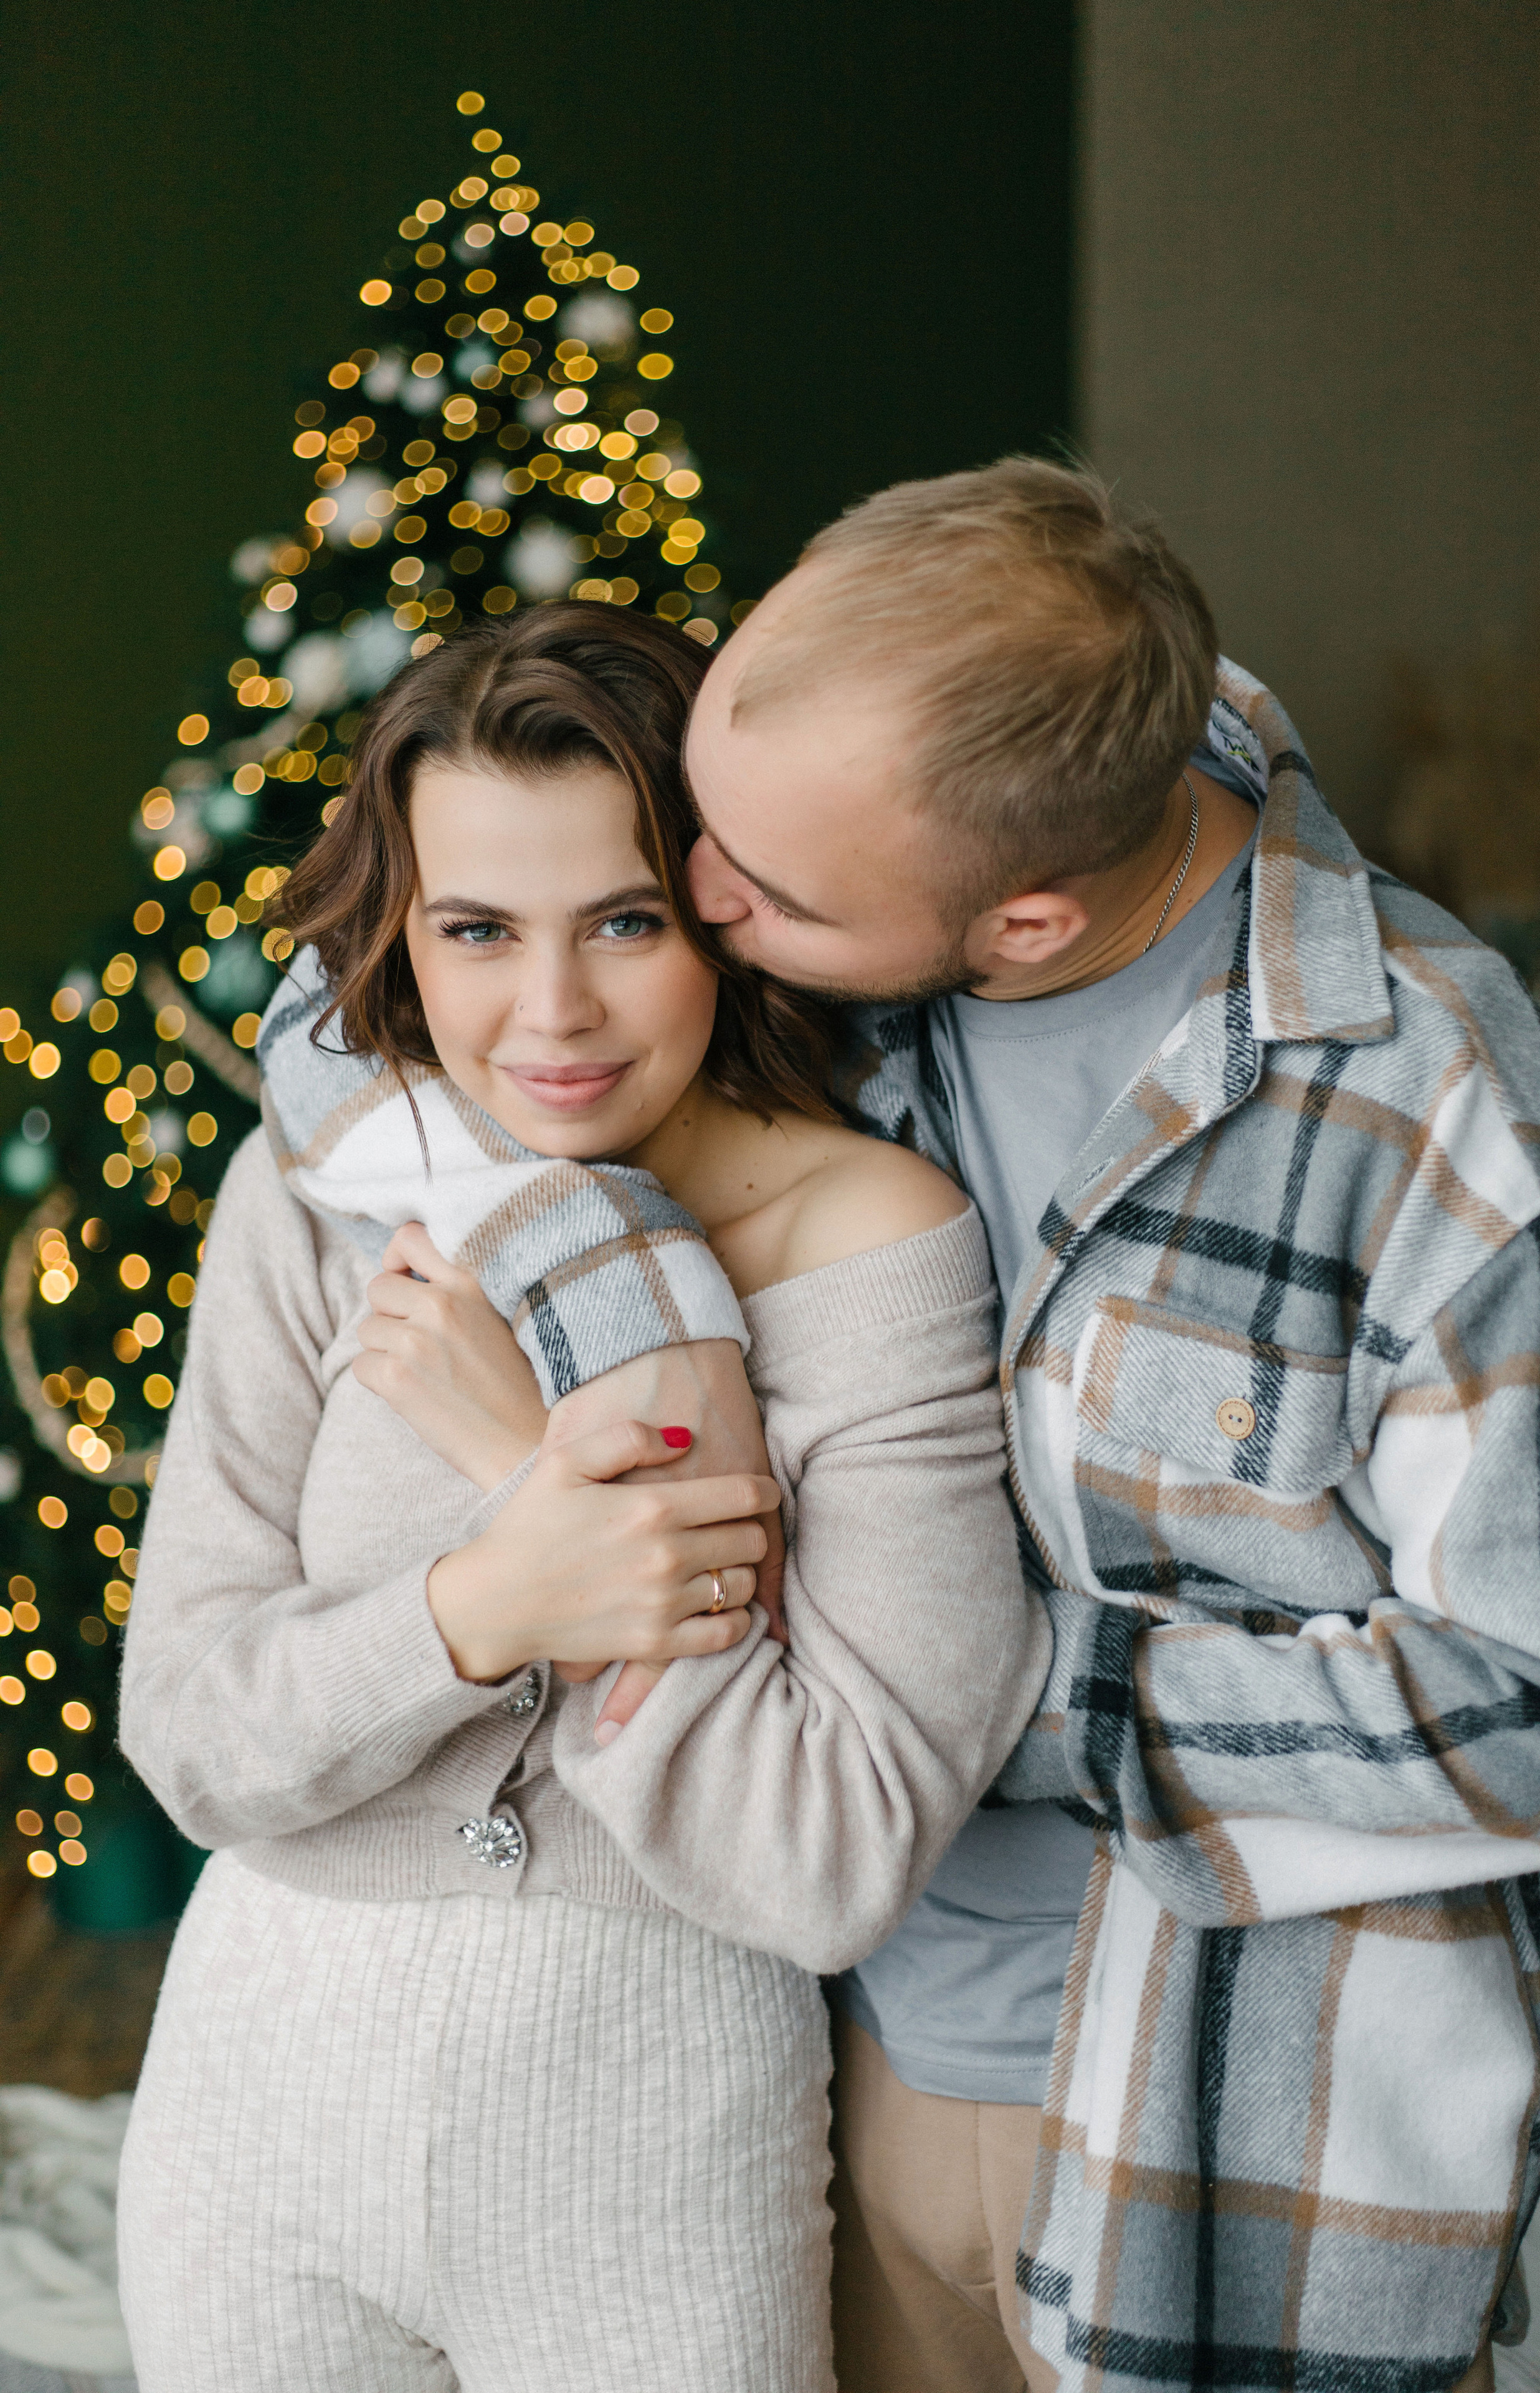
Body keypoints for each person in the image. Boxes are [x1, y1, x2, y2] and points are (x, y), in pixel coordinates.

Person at [672, 459, 1540, 2393]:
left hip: (1226, 2151)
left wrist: (989, 1685)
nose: (696, 904)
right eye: (702, 823)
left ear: (1023, 922)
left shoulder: (1441, 1105)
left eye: (770, 891)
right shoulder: (815, 938)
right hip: (827, 2066)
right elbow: (405, 974)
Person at [115, 605, 1049, 2392]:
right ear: (404, 930)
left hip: (650, 2147)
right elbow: (193, 1731)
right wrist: (478, 1608)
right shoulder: (323, 1193)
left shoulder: (877, 1252)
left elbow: (831, 1852)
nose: (549, 1017)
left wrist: (526, 1467)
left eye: (624, 924)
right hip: (256, 2117)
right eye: (477, 931)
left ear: (720, 912)